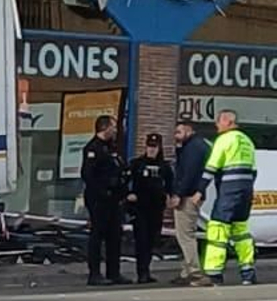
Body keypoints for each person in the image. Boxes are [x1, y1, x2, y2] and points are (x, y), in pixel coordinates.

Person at [200, 108, 259, 287]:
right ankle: (248, 272)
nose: (216, 125)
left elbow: (211, 167)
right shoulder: (247, 141)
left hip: (229, 191)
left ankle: (214, 274)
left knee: (218, 229)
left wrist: (199, 190)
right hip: (246, 191)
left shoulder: (224, 140)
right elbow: (254, 171)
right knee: (241, 231)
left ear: (227, 121)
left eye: (218, 121)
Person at [79, 112, 127, 287]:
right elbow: (88, 175)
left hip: (114, 199)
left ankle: (114, 273)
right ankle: (94, 274)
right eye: (113, 127)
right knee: (97, 235)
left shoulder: (112, 148)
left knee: (114, 236)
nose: (115, 130)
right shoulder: (93, 148)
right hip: (99, 199)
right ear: (104, 128)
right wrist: (102, 191)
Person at [169, 118, 212, 286]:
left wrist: (178, 194)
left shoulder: (193, 148)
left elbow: (189, 173)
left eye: (179, 132)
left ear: (189, 130)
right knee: (187, 233)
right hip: (192, 194)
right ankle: (186, 271)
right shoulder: (197, 146)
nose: (176, 136)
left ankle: (194, 272)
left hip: (188, 196)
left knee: (185, 235)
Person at [127, 131, 171, 285]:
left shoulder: (164, 166)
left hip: (156, 208)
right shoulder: (137, 164)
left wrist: (171, 197)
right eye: (149, 146)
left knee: (152, 240)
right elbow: (126, 181)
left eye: (154, 147)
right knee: (141, 240)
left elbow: (170, 184)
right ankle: (142, 273)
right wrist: (129, 194)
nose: (151, 150)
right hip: (140, 208)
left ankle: (146, 269)